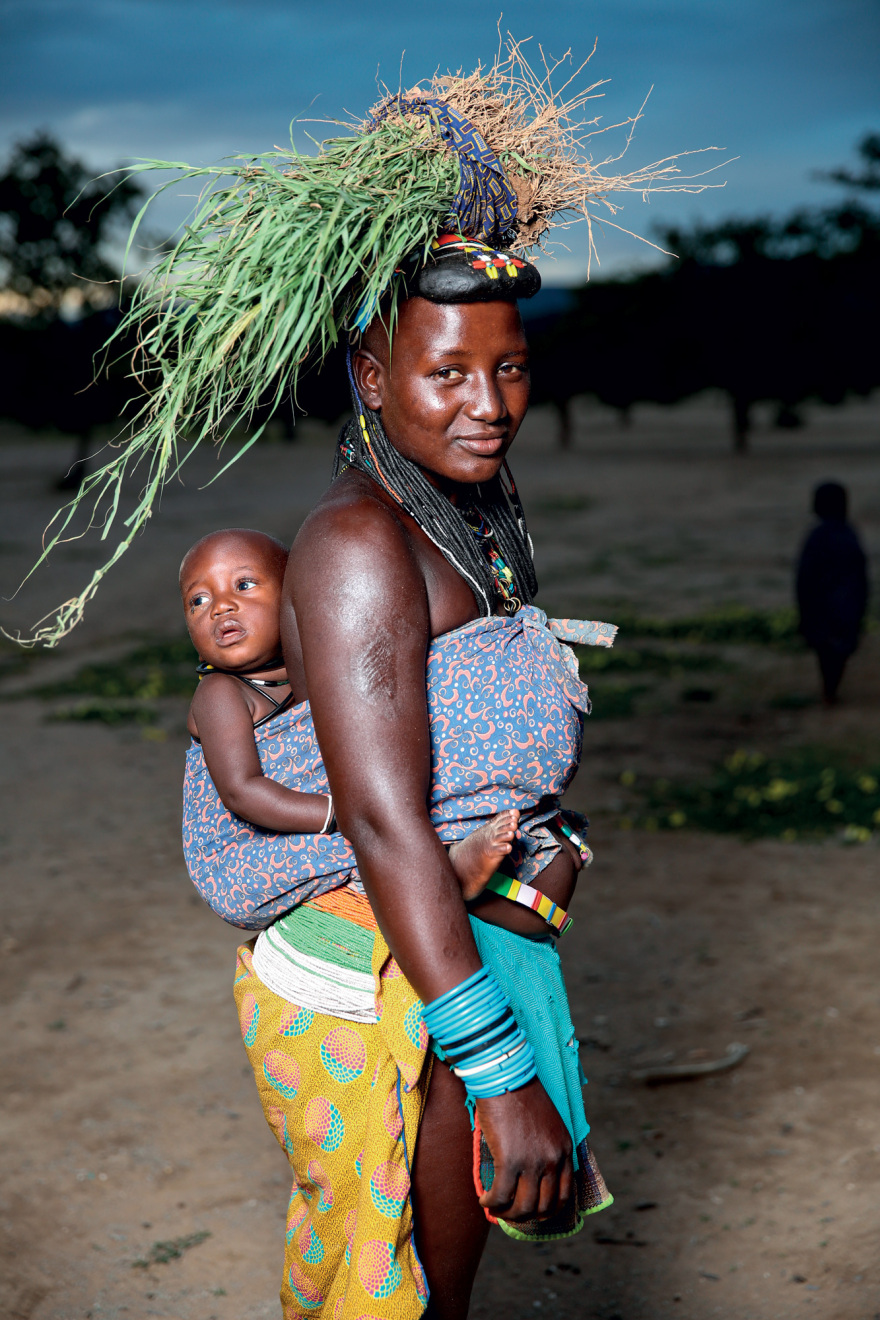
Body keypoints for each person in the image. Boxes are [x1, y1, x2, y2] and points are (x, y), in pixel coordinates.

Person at [180, 524, 522, 902]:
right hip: (242, 856)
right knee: (387, 837)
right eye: (198, 601)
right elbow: (241, 791)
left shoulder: (308, 671)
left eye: (243, 585)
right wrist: (346, 814)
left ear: (296, 600)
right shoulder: (219, 693)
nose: (220, 607)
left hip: (305, 823)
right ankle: (448, 874)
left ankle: (453, 868)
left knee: (403, 816)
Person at [796, 482, 869, 705]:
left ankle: (829, 690)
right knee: (839, 651)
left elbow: (804, 577)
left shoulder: (816, 537)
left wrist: (804, 609)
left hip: (821, 604)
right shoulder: (849, 535)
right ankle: (831, 689)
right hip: (846, 603)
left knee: (825, 652)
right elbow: (861, 576)